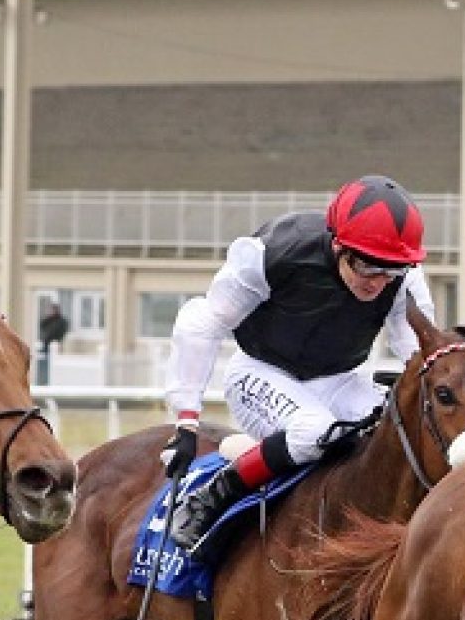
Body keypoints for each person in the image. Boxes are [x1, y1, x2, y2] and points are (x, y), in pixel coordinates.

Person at [161, 174, 436, 554]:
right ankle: (216, 494)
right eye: (368, 268)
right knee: (316, 431)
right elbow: (201, 323)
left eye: (389, 272)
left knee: (398, 434)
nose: (378, 283)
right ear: (340, 246)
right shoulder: (276, 252)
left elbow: (416, 351)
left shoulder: (403, 277)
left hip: (341, 378)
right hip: (260, 372)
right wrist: (186, 421)